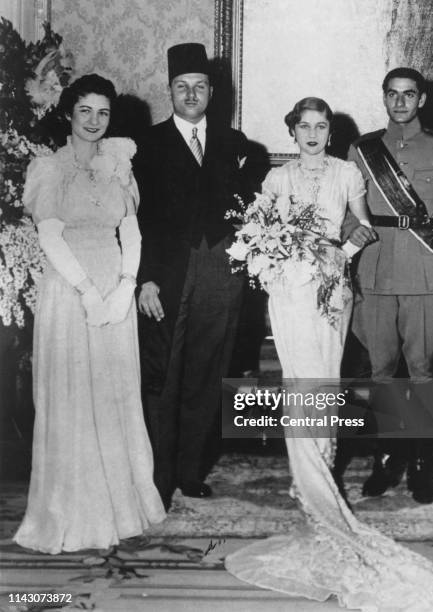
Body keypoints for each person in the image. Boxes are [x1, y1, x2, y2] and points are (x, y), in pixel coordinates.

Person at [224, 97, 433, 611]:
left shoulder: (347, 173)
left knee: (326, 384)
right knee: (298, 384)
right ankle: (308, 486)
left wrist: (342, 250)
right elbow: (256, 235)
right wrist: (278, 254)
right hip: (289, 292)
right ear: (291, 131)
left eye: (322, 126)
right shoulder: (276, 180)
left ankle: (339, 474)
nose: (313, 134)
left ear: (330, 133)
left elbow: (362, 227)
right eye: (304, 126)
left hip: (332, 290)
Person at [14, 74, 165, 554]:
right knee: (74, 395)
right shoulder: (48, 167)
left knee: (114, 393)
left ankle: (120, 509)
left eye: (103, 112)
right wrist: (87, 293)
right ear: (68, 114)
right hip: (69, 289)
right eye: (86, 112)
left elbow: (132, 230)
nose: (95, 121)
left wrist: (125, 287)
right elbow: (51, 236)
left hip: (114, 284)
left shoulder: (119, 163)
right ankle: (73, 514)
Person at [135, 43, 252, 510]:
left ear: (212, 92)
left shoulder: (236, 145)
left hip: (220, 272)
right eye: (181, 87)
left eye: (199, 87)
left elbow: (249, 212)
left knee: (208, 371)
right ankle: (159, 476)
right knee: (163, 374)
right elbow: (134, 219)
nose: (190, 94)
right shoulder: (146, 145)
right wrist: (143, 279)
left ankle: (191, 470)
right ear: (169, 91)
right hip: (166, 275)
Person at [347, 68, 433, 504]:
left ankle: (421, 463)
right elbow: (349, 209)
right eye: (392, 94)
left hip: (424, 275)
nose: (400, 102)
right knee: (380, 374)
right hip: (376, 272)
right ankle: (386, 458)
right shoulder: (362, 150)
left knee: (422, 373)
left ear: (421, 100)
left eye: (409, 95)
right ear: (383, 98)